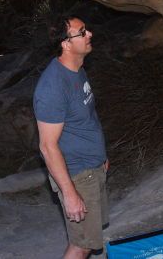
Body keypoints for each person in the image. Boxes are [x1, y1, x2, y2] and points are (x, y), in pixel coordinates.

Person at [34, 15, 110, 259]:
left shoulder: (76, 69)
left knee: (91, 236)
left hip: (92, 167)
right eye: (83, 32)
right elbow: (47, 146)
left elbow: (87, 117)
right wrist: (69, 193)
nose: (90, 34)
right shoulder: (52, 87)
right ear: (66, 44)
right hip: (77, 174)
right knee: (82, 245)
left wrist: (101, 156)